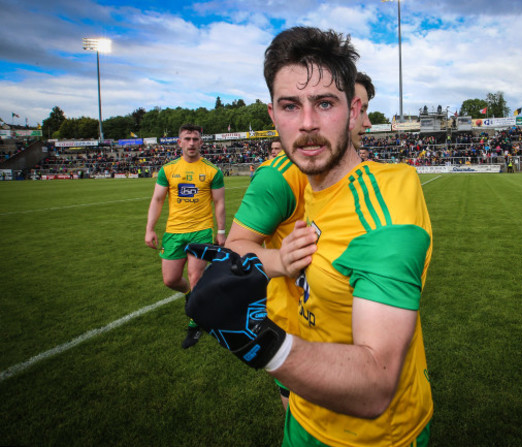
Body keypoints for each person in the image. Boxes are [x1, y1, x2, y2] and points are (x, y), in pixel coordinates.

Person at [187, 27, 433, 445]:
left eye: (324, 103)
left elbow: (377, 383)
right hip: (303, 414)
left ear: (353, 111)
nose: (306, 124)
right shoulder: (305, 182)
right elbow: (246, 246)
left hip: (372, 438)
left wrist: (262, 342)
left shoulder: (386, 211)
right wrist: (278, 262)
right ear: (272, 116)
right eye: (290, 105)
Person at [223, 72, 376, 411]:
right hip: (299, 331)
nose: (365, 121)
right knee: (307, 421)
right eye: (360, 110)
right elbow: (234, 248)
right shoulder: (280, 177)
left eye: (364, 109)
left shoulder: (364, 176)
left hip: (353, 322)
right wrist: (281, 260)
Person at [145, 123, 226, 349]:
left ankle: (195, 325)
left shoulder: (212, 170)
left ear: (201, 142)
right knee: (170, 279)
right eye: (187, 139)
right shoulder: (168, 169)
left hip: (201, 230)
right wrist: (150, 228)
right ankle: (192, 295)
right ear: (179, 142)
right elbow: (158, 200)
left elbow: (219, 202)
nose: (191, 143)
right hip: (174, 232)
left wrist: (220, 231)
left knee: (195, 276)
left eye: (195, 139)